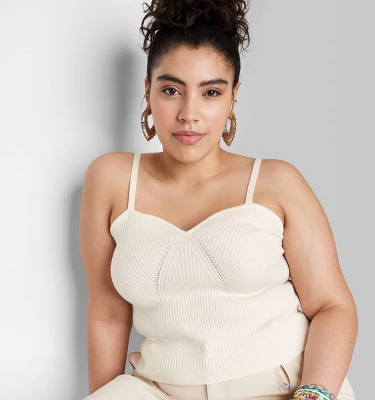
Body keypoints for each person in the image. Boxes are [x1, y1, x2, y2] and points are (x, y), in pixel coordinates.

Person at [79, 0, 358, 399]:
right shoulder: (110, 179)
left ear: (233, 97)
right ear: (148, 91)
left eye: (210, 92)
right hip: (160, 391)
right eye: (171, 90)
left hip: (286, 389)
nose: (188, 113)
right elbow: (108, 314)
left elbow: (333, 306)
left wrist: (313, 395)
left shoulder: (277, 182)